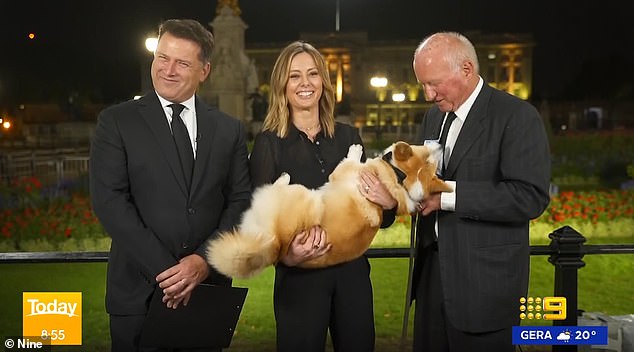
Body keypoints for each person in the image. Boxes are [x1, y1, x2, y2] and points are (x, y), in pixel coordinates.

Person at [89, 19, 251, 351]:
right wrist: (170, 273)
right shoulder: (117, 122)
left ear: (204, 71)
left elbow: (239, 202)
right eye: (162, 57)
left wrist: (204, 262)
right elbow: (110, 202)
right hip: (138, 295)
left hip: (208, 294)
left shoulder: (228, 130)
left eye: (182, 63)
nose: (168, 69)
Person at [248, 41, 397, 352]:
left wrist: (390, 202)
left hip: (353, 276)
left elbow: (377, 218)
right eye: (295, 76)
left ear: (323, 82)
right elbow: (258, 224)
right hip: (299, 281)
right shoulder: (269, 144)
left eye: (313, 74)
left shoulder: (348, 137)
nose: (305, 83)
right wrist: (286, 256)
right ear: (282, 86)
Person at [411, 32, 551, 351]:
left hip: (485, 289)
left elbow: (529, 196)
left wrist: (444, 197)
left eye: (434, 83)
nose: (428, 94)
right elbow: (426, 177)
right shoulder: (434, 117)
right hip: (432, 280)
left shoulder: (517, 116)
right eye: (422, 84)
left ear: (466, 69)